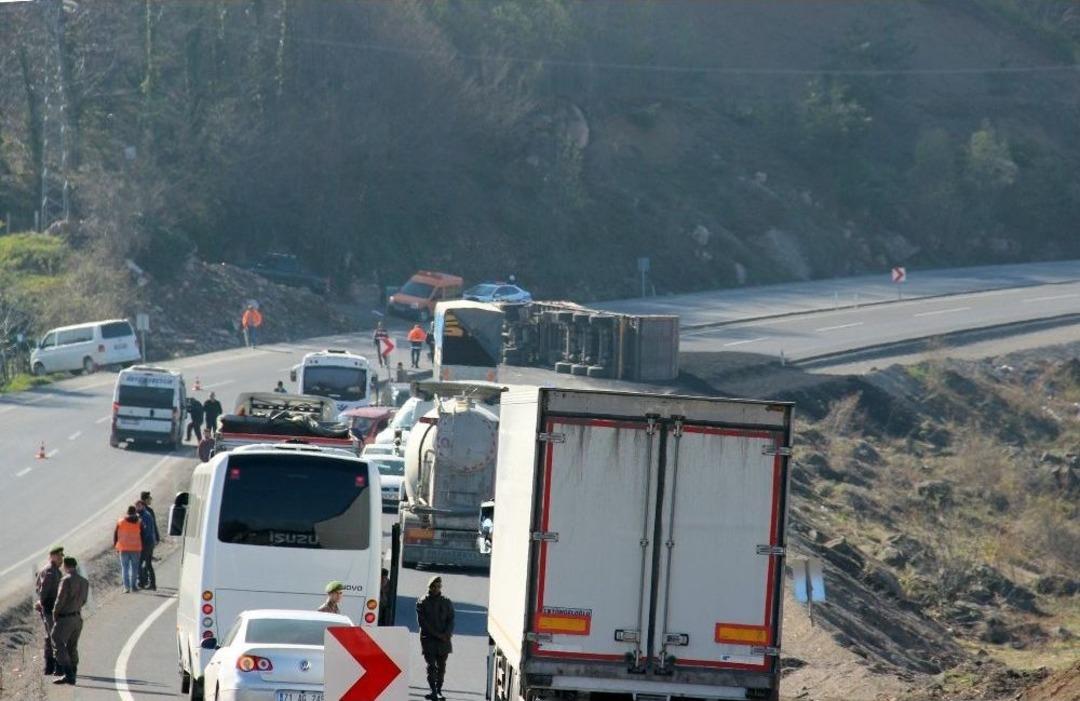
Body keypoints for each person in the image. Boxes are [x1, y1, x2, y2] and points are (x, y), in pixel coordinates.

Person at [50, 556, 88, 685]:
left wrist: (55, 613)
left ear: (65, 566)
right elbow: (84, 600)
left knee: (57, 641)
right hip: (77, 617)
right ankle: (73, 671)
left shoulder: (66, 580)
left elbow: (60, 600)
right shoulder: (84, 581)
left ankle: (68, 673)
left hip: (65, 617)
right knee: (72, 645)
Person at [416, 575, 454, 700]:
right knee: (431, 666)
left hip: (443, 640)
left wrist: (446, 634)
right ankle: (433, 690)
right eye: (434, 586)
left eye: (439, 586)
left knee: (441, 667)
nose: (437, 588)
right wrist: (438, 635)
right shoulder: (422, 602)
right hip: (429, 640)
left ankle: (439, 690)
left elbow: (451, 620)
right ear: (430, 587)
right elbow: (422, 623)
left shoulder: (446, 602)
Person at [34, 545, 64, 676]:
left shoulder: (54, 570)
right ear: (52, 557)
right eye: (59, 556)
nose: (61, 559)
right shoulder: (50, 572)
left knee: (50, 635)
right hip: (50, 608)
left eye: (61, 556)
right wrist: (41, 602)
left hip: (51, 607)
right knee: (55, 636)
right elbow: (44, 591)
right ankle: (57, 667)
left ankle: (49, 667)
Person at [113, 506, 143, 593]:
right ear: (135, 513)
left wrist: (116, 546)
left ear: (127, 513)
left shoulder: (120, 522)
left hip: (123, 548)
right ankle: (133, 586)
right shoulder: (139, 522)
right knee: (134, 568)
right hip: (136, 548)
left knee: (125, 568)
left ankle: (126, 587)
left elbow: (115, 534)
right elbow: (143, 535)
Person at [135, 498, 160, 590]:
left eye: (139, 506)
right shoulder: (142, 515)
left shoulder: (145, 516)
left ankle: (142, 583)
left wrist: (141, 541)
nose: (137, 508)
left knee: (140, 563)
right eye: (136, 506)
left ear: (143, 506)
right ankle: (151, 584)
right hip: (149, 543)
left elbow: (147, 531)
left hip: (147, 543)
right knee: (148, 564)